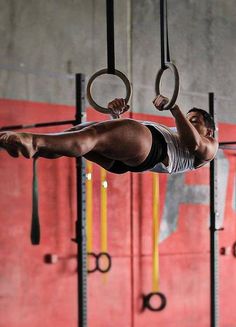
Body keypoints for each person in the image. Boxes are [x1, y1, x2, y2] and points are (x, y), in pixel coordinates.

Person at [0, 95, 218, 174]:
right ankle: (31, 148)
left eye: (194, 121)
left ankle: (33, 142)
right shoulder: (179, 134)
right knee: (78, 133)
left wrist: (175, 108)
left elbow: (194, 144)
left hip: (153, 147)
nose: (187, 124)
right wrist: (116, 117)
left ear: (208, 129)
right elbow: (127, 144)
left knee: (92, 134)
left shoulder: (210, 145)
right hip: (133, 159)